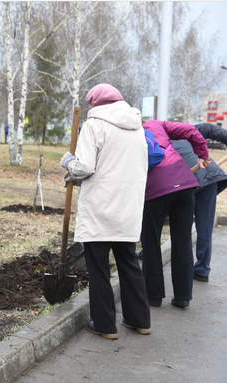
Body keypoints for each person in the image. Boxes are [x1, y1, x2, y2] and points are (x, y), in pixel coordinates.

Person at [60, 84, 151, 340]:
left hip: (100, 208)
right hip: (128, 207)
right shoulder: (137, 127)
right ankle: (140, 320)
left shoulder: (94, 125)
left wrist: (69, 162)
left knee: (99, 268)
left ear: (94, 104)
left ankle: (104, 325)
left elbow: (85, 167)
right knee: (129, 264)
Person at [140, 119, 210, 308]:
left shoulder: (124, 134)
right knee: (182, 241)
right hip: (184, 185)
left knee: (151, 242)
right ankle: (183, 296)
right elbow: (191, 130)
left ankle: (153, 296)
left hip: (155, 190)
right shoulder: (156, 124)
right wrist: (202, 155)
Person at [172, 123, 227, 282]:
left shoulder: (158, 139)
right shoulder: (187, 131)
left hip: (189, 180)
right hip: (209, 176)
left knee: (182, 227)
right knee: (205, 226)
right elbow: (211, 129)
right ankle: (202, 270)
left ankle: (184, 270)